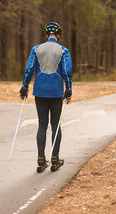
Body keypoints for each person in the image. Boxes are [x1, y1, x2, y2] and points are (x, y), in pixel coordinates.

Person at [20, 22, 72, 173]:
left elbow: (30, 69)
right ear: (59, 35)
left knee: (42, 124)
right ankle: (55, 159)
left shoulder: (36, 49)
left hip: (40, 92)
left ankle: (41, 160)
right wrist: (68, 89)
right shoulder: (63, 51)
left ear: (46, 35)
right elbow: (66, 71)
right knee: (55, 124)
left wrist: (25, 85)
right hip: (56, 92)